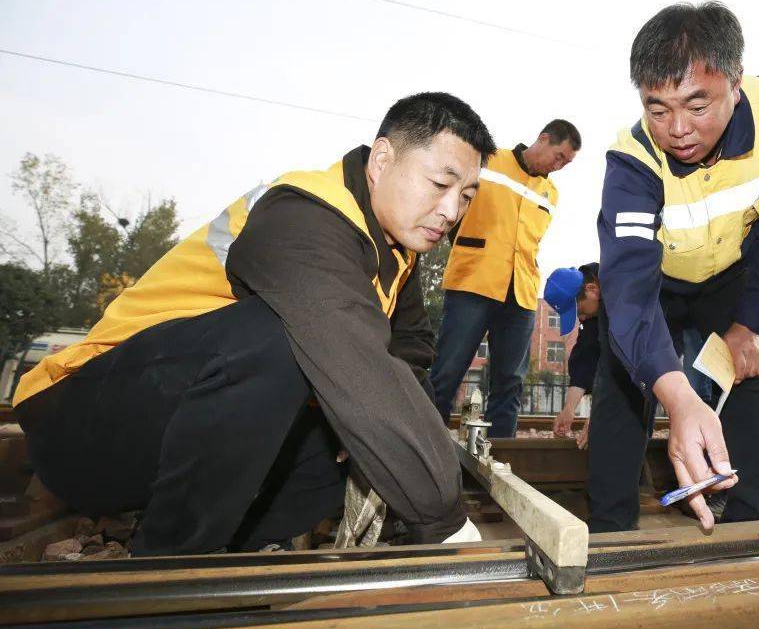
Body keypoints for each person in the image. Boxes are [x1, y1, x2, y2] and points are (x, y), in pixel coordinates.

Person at [13, 92, 497, 555]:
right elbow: (356, 358)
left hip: (158, 437)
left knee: (365, 442)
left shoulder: (395, 253)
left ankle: (231, 549)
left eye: (467, 196)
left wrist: (411, 454)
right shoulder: (305, 215)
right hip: (79, 421)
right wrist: (447, 524)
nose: (452, 212)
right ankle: (170, 569)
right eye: (440, 184)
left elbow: (409, 361)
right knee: (291, 344)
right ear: (382, 160)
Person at [590, 2, 759, 533]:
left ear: (735, 84)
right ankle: (609, 534)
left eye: (697, 106)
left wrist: (750, 324)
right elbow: (626, 290)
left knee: (743, 378)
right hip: (655, 286)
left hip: (728, 279)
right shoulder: (630, 159)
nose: (677, 130)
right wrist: (674, 394)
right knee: (623, 389)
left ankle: (753, 527)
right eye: (657, 109)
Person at [430, 120, 581, 439]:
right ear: (543, 138)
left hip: (522, 293)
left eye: (567, 163)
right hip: (473, 282)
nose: (560, 166)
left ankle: (499, 456)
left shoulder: (551, 193)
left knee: (510, 382)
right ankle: (423, 447)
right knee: (447, 371)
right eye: (559, 156)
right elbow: (452, 209)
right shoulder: (487, 161)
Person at [543, 263, 600, 449]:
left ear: (592, 290)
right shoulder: (594, 313)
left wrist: (599, 416)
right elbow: (585, 357)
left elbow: (620, 366)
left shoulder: (623, 296)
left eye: (580, 311)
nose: (581, 319)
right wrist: (568, 410)